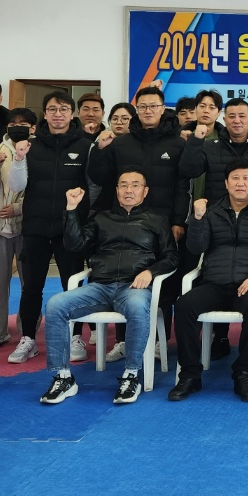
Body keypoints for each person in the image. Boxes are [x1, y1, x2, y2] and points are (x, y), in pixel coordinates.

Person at [39, 170, 182, 405]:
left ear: (145, 191)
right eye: (123, 185)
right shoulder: (101, 218)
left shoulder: (157, 220)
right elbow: (75, 244)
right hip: (100, 287)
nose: (129, 190)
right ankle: (62, 377)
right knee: (56, 304)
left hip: (134, 287)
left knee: (137, 307)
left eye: (135, 185)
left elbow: (171, 257)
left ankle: (131, 375)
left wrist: (150, 272)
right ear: (116, 191)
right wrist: (72, 210)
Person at [168, 166, 248, 403]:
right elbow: (196, 247)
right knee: (184, 305)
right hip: (214, 283)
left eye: (246, 178)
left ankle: (243, 373)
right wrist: (197, 219)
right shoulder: (212, 211)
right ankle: (190, 374)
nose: (240, 183)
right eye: (235, 178)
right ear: (226, 183)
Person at [90, 85, 191, 357]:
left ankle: (160, 341)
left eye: (153, 106)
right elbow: (101, 178)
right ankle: (123, 341)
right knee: (124, 278)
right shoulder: (121, 143)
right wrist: (99, 150)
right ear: (137, 110)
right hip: (126, 223)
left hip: (164, 223)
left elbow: (183, 187)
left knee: (163, 282)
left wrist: (178, 221)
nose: (148, 111)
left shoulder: (177, 144)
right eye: (143, 106)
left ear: (162, 108)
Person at [9, 91, 93, 365]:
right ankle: (28, 338)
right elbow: (16, 185)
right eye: (53, 109)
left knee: (73, 286)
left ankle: (75, 336)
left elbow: (93, 185)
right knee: (32, 286)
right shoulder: (30, 145)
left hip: (70, 228)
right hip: (35, 225)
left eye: (64, 109)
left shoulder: (86, 145)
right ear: (44, 114)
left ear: (72, 114)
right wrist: (18, 158)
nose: (58, 114)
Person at [0, 108, 33, 348]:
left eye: (23, 124)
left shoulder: (38, 150)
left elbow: (40, 188)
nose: (17, 128)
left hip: (28, 226)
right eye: (13, 124)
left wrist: (19, 208)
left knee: (29, 283)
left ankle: (27, 329)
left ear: (33, 127)